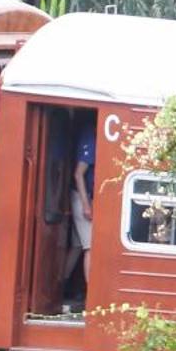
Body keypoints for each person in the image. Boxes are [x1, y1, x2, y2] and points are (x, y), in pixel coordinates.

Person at [67, 114, 97, 309]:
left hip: (80, 194)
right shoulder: (91, 137)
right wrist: (86, 205)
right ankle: (92, 297)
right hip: (81, 195)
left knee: (78, 246)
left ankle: (59, 286)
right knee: (91, 248)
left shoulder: (89, 133)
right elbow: (78, 173)